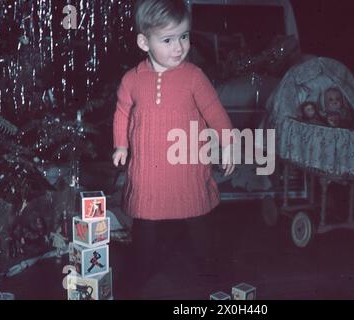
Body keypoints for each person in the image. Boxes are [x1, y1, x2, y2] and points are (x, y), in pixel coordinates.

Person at [112, 0, 235, 297]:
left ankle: (210, 269)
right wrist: (120, 146)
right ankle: (140, 271)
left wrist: (228, 142)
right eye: (167, 40)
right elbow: (122, 112)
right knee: (145, 224)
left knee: (198, 220)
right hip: (148, 172)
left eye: (184, 36)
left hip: (188, 167)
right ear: (144, 42)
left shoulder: (194, 76)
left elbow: (214, 110)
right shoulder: (132, 79)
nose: (179, 47)